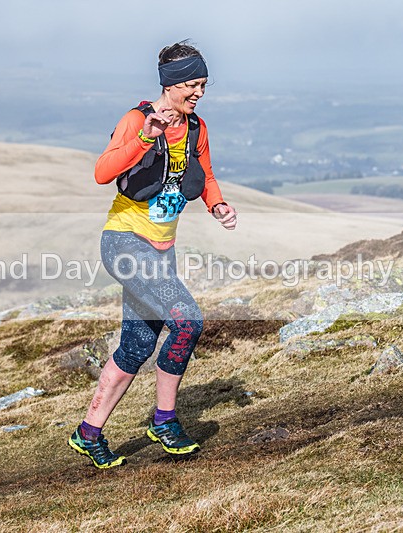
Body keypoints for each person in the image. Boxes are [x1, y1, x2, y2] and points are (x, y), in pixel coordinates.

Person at [67, 40, 238, 469]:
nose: (199, 92)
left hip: (162, 250)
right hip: (124, 242)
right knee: (188, 320)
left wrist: (216, 204)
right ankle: (164, 420)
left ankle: (88, 433)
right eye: (192, 84)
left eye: (203, 84)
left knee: (137, 345)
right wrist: (146, 137)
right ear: (172, 83)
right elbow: (102, 173)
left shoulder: (197, 128)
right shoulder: (137, 119)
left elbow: (207, 173)